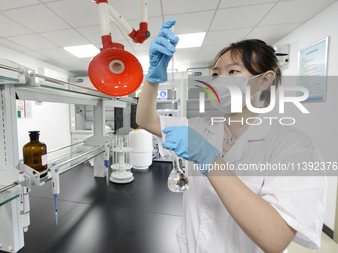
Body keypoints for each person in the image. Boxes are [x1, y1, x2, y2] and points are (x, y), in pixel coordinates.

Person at [136, 19, 326, 253]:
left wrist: (210, 160)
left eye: (233, 71)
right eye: (215, 74)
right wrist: (153, 79)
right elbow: (146, 120)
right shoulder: (199, 128)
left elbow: (275, 238)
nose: (219, 81)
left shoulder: (293, 145)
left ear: (264, 80)